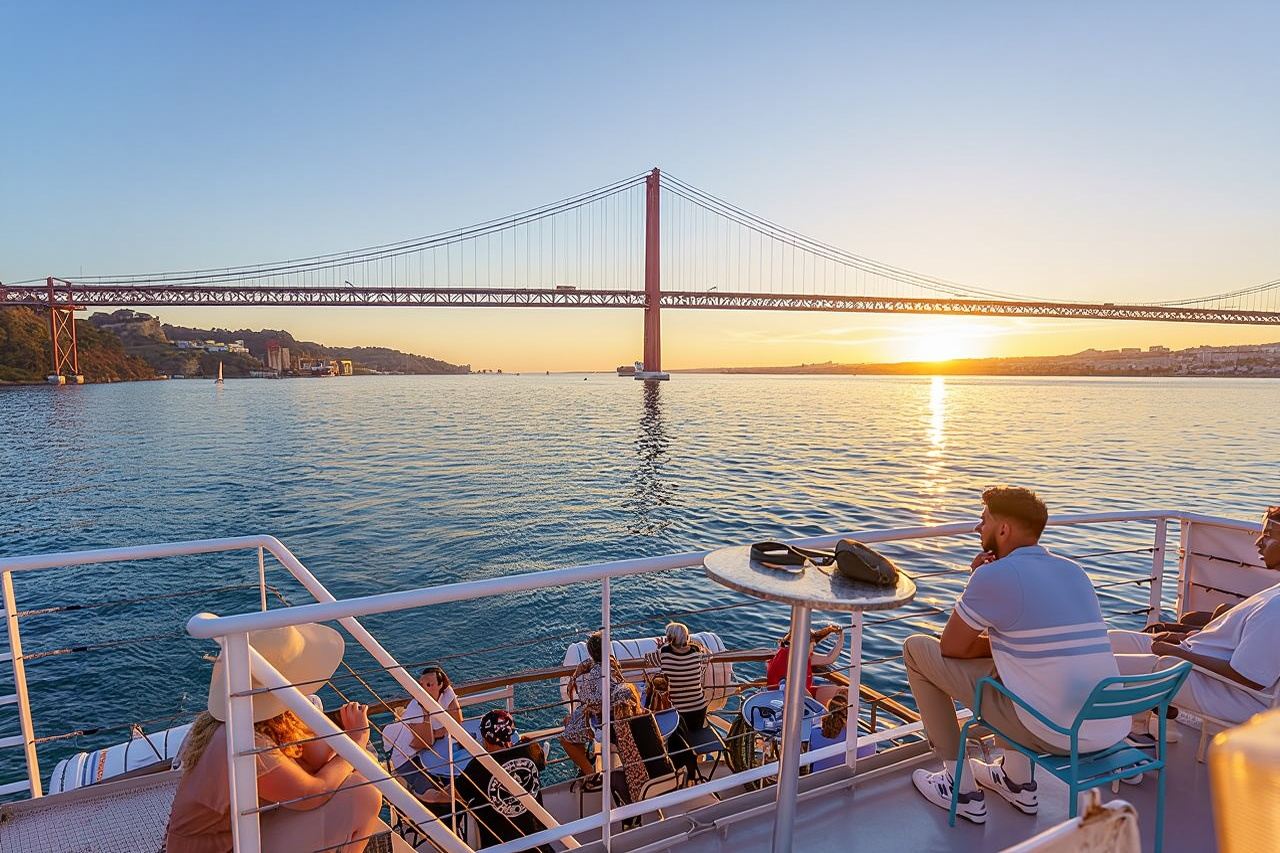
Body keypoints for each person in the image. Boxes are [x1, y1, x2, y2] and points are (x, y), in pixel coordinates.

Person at [902, 486, 1127, 824]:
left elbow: (952, 647)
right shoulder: (1074, 572)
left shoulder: (995, 575)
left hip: (1055, 733)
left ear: (1003, 529)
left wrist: (978, 577)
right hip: (1106, 726)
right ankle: (1016, 781)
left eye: (984, 520)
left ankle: (959, 788)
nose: (978, 528)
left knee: (917, 650)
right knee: (1010, 660)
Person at [164, 624, 382, 853]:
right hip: (222, 848)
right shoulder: (246, 744)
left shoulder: (240, 719)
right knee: (362, 793)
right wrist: (356, 741)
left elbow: (317, 757)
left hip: (237, 833)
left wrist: (349, 749)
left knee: (358, 772)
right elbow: (314, 792)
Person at [1108, 505, 1280, 731]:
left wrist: (1178, 653)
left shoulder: (1276, 607)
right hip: (1195, 659)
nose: (1258, 541)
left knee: (1097, 669)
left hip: (1219, 689)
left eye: (1268, 535)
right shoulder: (1274, 592)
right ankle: (1137, 727)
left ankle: (1076, 740)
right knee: (1107, 641)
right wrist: (1184, 637)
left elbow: (1250, 678)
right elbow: (1237, 642)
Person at [452, 710, 553, 853]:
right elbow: (542, 763)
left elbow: (454, 794)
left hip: (501, 847)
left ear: (485, 738)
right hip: (538, 842)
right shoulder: (529, 747)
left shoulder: (479, 766)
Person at [560, 630, 631, 786]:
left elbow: (585, 698)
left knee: (565, 739)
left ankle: (591, 774)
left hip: (601, 722)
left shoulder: (596, 674)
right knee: (571, 723)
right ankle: (588, 761)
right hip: (615, 715)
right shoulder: (612, 665)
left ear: (591, 652)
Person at [386, 665, 464, 798]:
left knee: (455, 775)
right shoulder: (416, 709)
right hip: (406, 756)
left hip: (427, 751)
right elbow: (423, 743)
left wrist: (438, 733)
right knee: (429, 791)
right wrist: (426, 713)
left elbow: (458, 719)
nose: (424, 689)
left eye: (429, 685)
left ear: (441, 685)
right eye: (421, 685)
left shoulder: (446, 693)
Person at [645, 622, 709, 781]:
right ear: (687, 638)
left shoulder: (664, 653)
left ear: (669, 638)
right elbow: (708, 656)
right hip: (699, 709)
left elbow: (648, 660)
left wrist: (662, 646)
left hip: (679, 712)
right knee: (690, 738)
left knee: (675, 741)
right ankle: (691, 765)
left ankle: (679, 770)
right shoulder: (696, 652)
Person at [608, 685, 678, 823]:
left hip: (646, 787)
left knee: (612, 777)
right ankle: (634, 816)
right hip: (669, 777)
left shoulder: (617, 729)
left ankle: (630, 816)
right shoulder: (648, 716)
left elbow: (599, 734)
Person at [765, 622, 845, 703]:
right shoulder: (793, 659)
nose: (814, 644)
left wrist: (835, 634)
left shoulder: (799, 653)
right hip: (782, 698)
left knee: (842, 691)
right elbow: (793, 689)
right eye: (811, 643)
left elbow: (829, 658)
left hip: (802, 692)